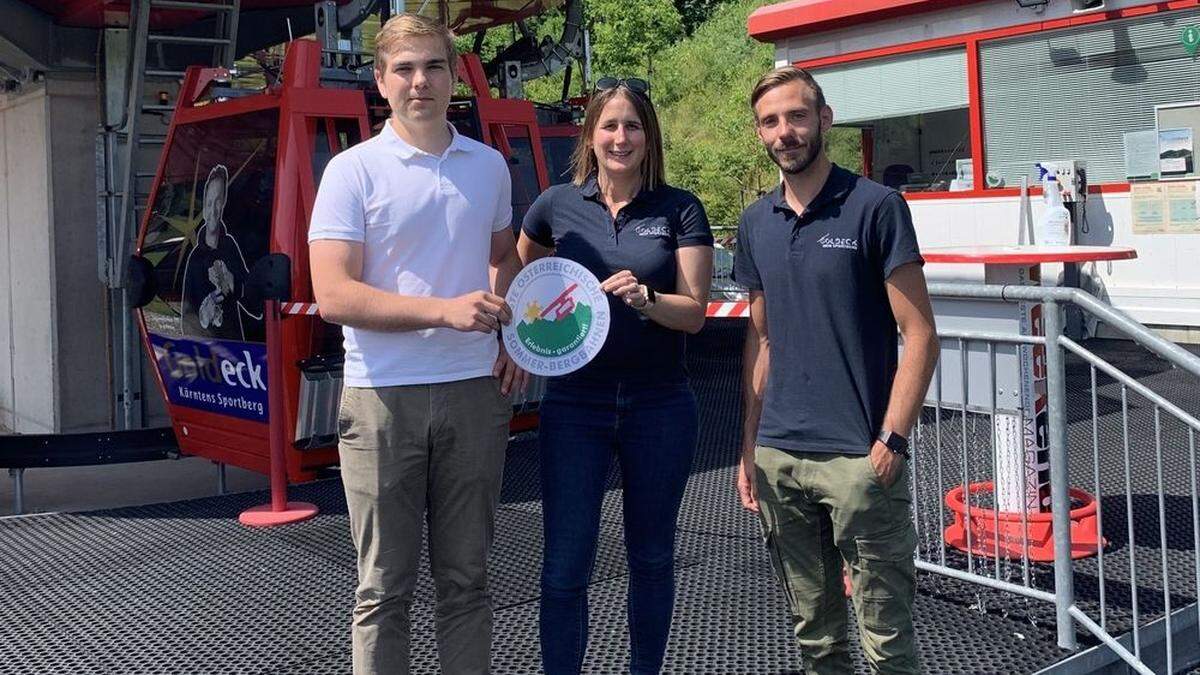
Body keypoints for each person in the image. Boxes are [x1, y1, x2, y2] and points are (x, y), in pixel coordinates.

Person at [307, 13, 526, 675]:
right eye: (403, 68)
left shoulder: (488, 168)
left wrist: (509, 333)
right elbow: (335, 296)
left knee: (468, 579)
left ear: (454, 75)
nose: (419, 80)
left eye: (432, 65)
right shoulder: (352, 172)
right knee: (382, 588)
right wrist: (446, 310)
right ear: (380, 80)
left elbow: (502, 257)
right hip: (381, 397)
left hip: (473, 392)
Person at [733, 66, 939, 674]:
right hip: (781, 458)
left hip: (859, 461)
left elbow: (920, 332)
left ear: (824, 120)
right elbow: (762, 339)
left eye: (797, 116)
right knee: (815, 639)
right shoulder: (754, 223)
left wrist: (892, 440)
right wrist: (750, 445)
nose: (784, 132)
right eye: (770, 122)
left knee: (888, 642)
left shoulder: (875, 207)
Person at [517, 76, 714, 675]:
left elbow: (697, 314)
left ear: (648, 136)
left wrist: (647, 298)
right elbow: (522, 272)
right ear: (591, 134)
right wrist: (528, 329)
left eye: (632, 126)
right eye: (610, 125)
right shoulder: (556, 204)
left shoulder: (679, 207)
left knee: (652, 559)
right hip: (575, 403)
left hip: (659, 403)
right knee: (565, 564)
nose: (621, 137)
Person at [180, 164, 256, 341]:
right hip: (208, 353)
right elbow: (185, 319)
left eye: (217, 202)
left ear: (223, 205)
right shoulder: (195, 260)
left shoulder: (230, 247)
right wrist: (204, 315)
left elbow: (256, 306)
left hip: (238, 352)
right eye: (209, 203)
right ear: (204, 208)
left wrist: (235, 284)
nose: (213, 210)